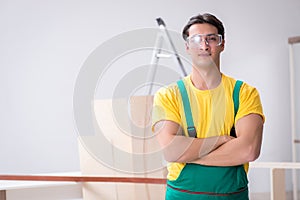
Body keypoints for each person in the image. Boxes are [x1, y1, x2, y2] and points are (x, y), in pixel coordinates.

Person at [152, 13, 265, 200]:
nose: (204, 46)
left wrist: (187, 153)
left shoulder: (245, 93)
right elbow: (171, 151)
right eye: (196, 40)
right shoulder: (168, 96)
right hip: (182, 196)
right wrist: (221, 140)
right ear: (187, 46)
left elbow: (249, 150)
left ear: (222, 44)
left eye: (211, 39)